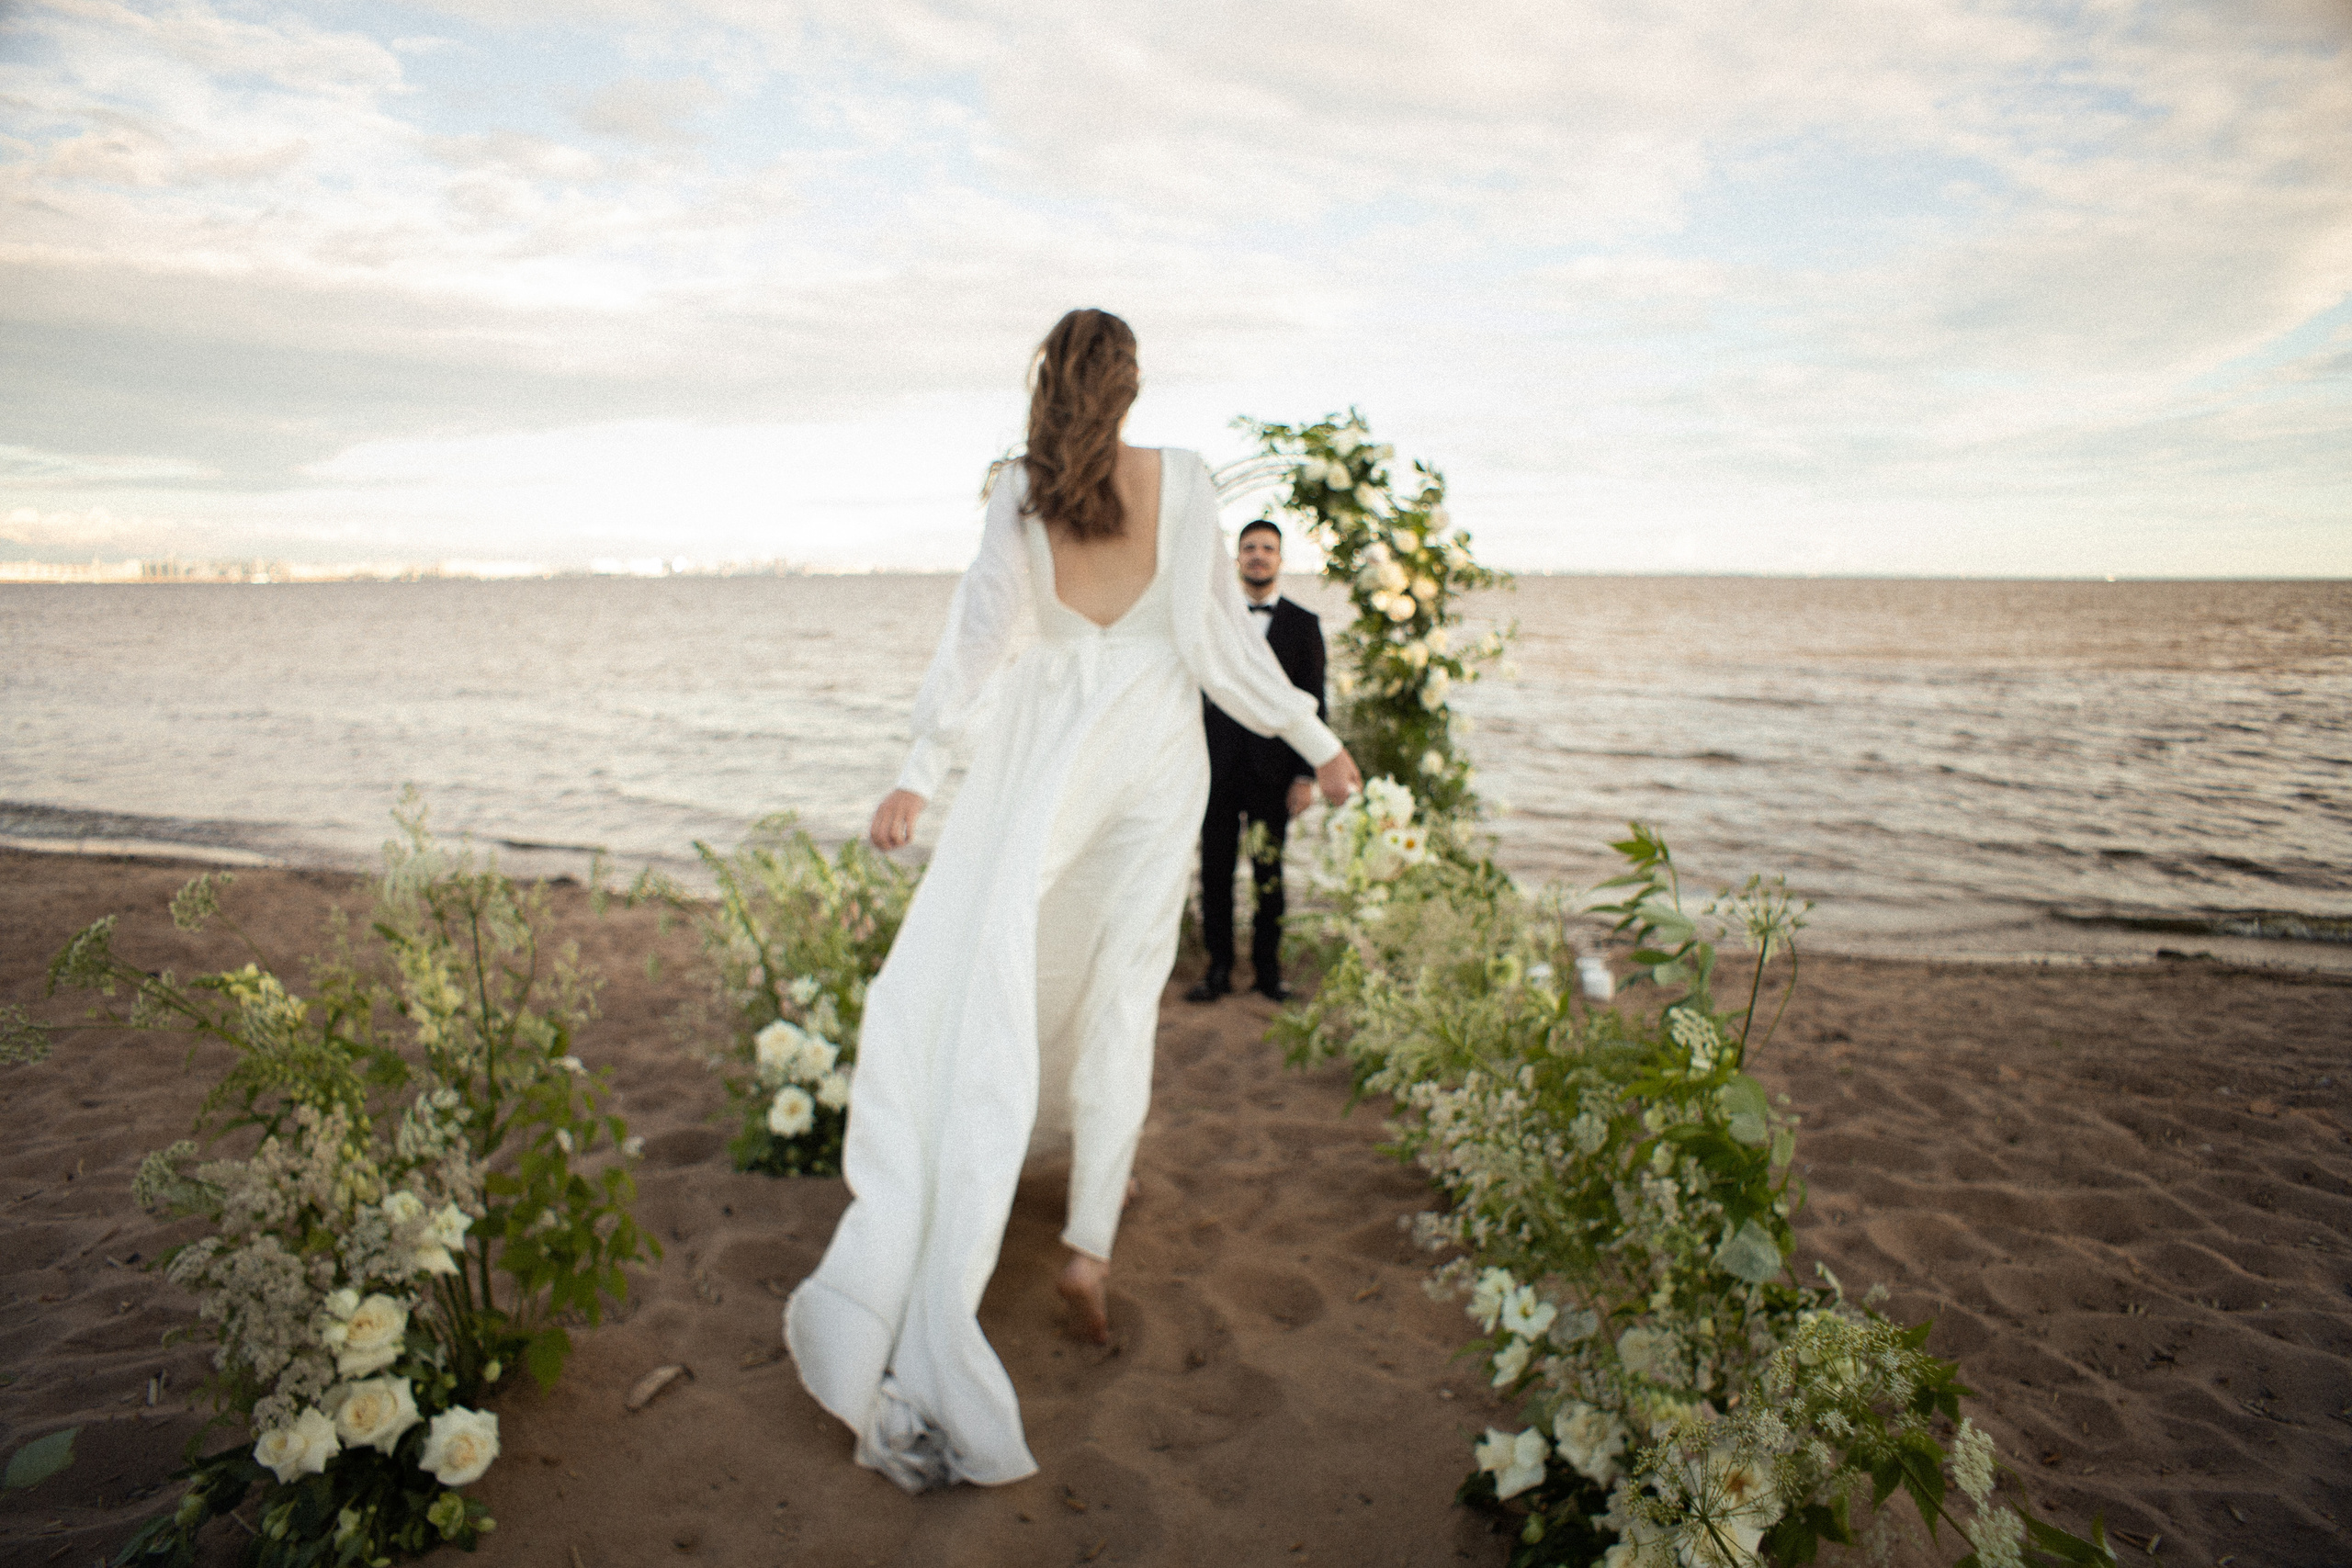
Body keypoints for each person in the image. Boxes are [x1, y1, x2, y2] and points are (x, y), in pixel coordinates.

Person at [784, 309, 1363, 1495]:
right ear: (1133, 386)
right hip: (1153, 753)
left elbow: (976, 642)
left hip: (1045, 751)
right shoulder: (1185, 480)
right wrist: (1316, 738)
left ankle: (998, 1170)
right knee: (1121, 989)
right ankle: (1089, 1244)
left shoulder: (1018, 489)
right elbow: (1221, 649)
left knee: (1004, 953)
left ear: (1047, 382)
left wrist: (918, 771)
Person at [1186, 518, 1326, 1003]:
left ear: (1280, 559)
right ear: (1238, 558)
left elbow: (1314, 701)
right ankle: (1218, 970)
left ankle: (1268, 972)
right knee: (1215, 874)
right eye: (1249, 548)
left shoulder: (1304, 625)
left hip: (1275, 774)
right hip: (1217, 770)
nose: (1258, 556)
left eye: (1268, 548)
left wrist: (1306, 775)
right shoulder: (1214, 622)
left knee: (1270, 875)